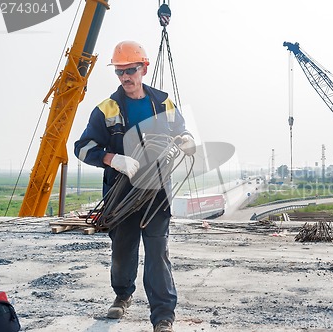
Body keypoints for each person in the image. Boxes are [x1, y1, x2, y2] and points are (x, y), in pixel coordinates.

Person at [74, 40, 195, 332]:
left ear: (144, 68)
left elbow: (181, 129)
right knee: (123, 250)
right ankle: (122, 295)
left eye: (130, 70)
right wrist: (112, 158)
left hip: (156, 193)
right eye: (119, 72)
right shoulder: (107, 108)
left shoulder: (163, 103)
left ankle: (163, 316)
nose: (125, 77)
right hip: (122, 193)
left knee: (157, 252)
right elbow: (82, 147)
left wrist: (187, 140)